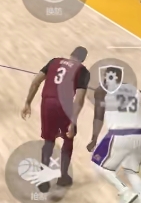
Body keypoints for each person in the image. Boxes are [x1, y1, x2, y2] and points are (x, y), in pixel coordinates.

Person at [79, 70, 141, 203]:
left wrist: (94, 139)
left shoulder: (102, 92)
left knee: (98, 165)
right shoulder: (139, 93)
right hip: (138, 136)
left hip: (118, 135)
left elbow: (98, 118)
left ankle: (124, 191)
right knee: (132, 173)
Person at [20, 47, 90, 192]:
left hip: (48, 103)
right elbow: (79, 99)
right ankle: (63, 177)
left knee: (49, 140)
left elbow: (35, 82)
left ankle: (43, 179)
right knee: (68, 139)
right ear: (83, 59)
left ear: (71, 54)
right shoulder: (82, 70)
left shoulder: (54, 61)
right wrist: (73, 121)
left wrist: (28, 102)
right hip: (64, 105)